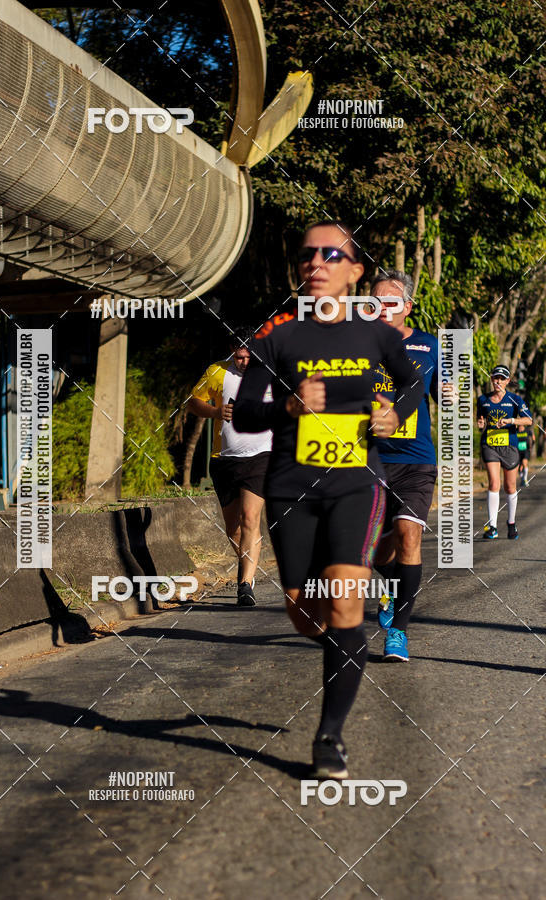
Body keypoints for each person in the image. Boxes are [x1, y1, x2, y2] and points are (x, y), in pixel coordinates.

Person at [233, 220, 424, 777]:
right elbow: (245, 414)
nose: (315, 263)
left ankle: (329, 737)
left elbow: (413, 382)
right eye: (307, 255)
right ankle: (340, 640)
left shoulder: (377, 336)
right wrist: (288, 407)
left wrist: (396, 414)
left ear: (355, 271)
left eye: (330, 255)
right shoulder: (278, 336)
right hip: (291, 487)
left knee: (344, 605)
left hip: (355, 485)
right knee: (305, 615)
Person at [369, 270, 439, 663]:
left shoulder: (429, 346)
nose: (381, 307)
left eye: (390, 301)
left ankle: (398, 632)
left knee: (408, 535)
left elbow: (443, 394)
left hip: (416, 460)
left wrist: (450, 393)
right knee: (378, 554)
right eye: (375, 301)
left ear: (407, 307)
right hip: (369, 460)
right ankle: (393, 590)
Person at [188, 328, 272, 606]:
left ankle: (245, 585)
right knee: (233, 529)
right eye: (239, 357)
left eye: (249, 357)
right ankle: (250, 560)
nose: (244, 362)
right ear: (232, 354)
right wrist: (214, 411)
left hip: (261, 457)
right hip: (223, 459)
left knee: (250, 518)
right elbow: (193, 402)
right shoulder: (217, 372)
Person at [477, 365, 532, 540]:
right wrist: (480, 425)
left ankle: (511, 523)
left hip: (510, 446)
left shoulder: (515, 399)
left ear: (507, 381)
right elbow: (481, 421)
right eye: (495, 378)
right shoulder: (482, 399)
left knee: (510, 486)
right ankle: (492, 526)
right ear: (491, 379)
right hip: (490, 445)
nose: (498, 381)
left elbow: (529, 420)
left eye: (502, 379)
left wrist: (511, 420)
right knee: (494, 483)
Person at [516, 421, 534, 487]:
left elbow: (533, 437)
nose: (520, 425)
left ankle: (525, 479)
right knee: (519, 467)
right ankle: (522, 478)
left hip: (525, 450)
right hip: (517, 451)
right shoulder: (516, 430)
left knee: (524, 463)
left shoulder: (527, 430)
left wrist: (532, 445)